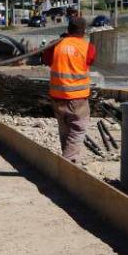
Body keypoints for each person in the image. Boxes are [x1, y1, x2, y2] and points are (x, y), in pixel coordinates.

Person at [43, 15, 96, 162]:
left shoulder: (55, 45)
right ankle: (68, 163)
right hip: (77, 98)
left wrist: (62, 41)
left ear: (68, 29)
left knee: (65, 131)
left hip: (57, 97)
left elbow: (46, 60)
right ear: (84, 31)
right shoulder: (88, 47)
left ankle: (67, 161)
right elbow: (91, 60)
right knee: (78, 130)